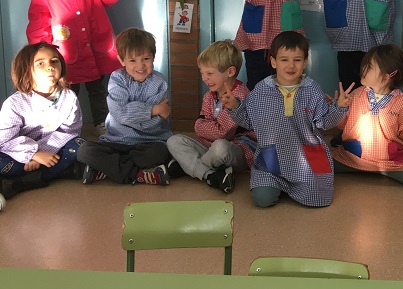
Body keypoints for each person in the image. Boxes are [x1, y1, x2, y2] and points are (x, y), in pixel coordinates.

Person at [221, 30, 340, 207]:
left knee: (318, 199)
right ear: (273, 62)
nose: (290, 66)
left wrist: (339, 108)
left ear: (305, 62)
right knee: (262, 199)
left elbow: (324, 122)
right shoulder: (261, 90)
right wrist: (234, 106)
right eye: (284, 60)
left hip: (305, 160)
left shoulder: (313, 89)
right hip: (271, 161)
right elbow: (248, 121)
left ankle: (300, 183)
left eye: (297, 60)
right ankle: (276, 185)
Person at [27, 0, 123, 134]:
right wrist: (42, 54)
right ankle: (66, 129)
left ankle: (102, 124)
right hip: (66, 54)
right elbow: (38, 24)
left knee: (99, 90)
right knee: (66, 93)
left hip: (96, 48)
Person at [329, 44, 403, 191]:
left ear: (385, 78)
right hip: (354, 158)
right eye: (364, 65)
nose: (363, 69)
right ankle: (367, 169)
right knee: (322, 163)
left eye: (369, 67)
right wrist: (338, 108)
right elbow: (342, 124)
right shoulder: (356, 94)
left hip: (390, 163)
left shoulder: (402, 103)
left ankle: (384, 170)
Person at [77, 28, 174, 186]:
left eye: (146, 59)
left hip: (148, 141)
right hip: (116, 140)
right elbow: (120, 114)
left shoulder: (159, 82)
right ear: (122, 61)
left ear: (153, 57)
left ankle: (108, 170)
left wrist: (130, 113)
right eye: (132, 60)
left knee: (161, 152)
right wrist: (152, 110)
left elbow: (153, 123)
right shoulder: (117, 79)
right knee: (85, 151)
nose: (140, 65)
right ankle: (139, 174)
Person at [166, 40, 257, 193]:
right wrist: (203, 126)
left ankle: (190, 167)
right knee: (174, 141)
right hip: (209, 146)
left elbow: (222, 133)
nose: (204, 78)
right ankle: (210, 175)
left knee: (220, 147)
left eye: (209, 73)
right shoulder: (209, 95)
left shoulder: (239, 95)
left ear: (230, 72)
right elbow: (198, 127)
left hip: (236, 149)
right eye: (202, 73)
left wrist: (203, 126)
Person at [0, 43, 82, 210]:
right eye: (40, 63)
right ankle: (57, 173)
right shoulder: (14, 103)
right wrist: (33, 154)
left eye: (54, 61)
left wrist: (44, 153)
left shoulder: (69, 97)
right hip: (17, 155)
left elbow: (70, 132)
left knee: (80, 146)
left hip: (52, 151)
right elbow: (5, 139)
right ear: (26, 70)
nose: (50, 67)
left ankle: (20, 182)